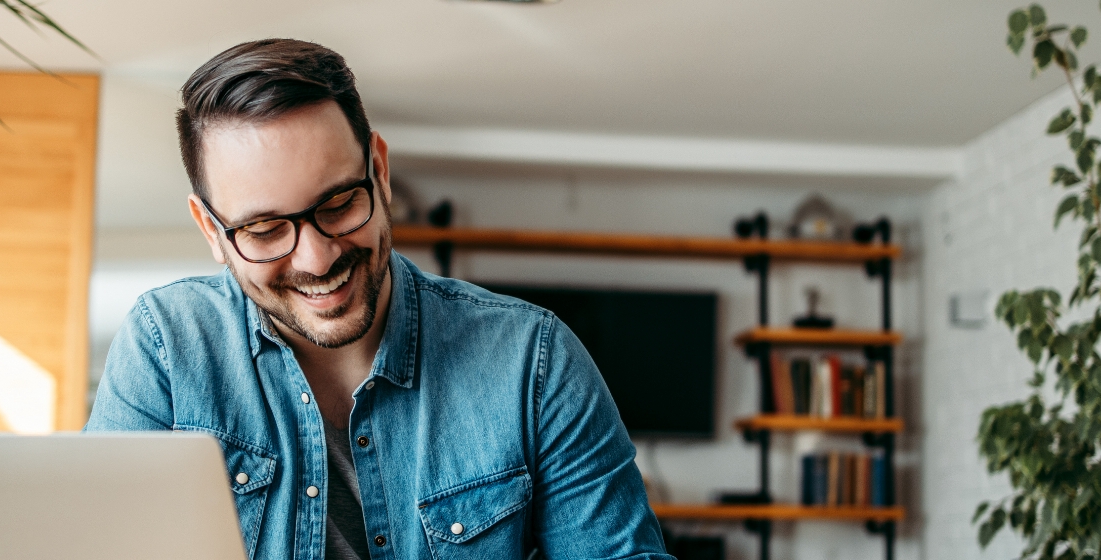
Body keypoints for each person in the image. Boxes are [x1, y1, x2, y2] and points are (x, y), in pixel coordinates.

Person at [85, 39, 672, 560]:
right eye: (264, 230)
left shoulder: (533, 360)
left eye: (339, 204)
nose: (316, 259)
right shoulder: (166, 346)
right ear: (212, 231)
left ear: (381, 172)